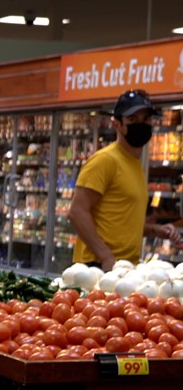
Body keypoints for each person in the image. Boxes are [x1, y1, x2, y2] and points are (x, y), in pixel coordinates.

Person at [69, 89, 180, 270]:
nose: (141, 125)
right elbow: (77, 212)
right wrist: (105, 256)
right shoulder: (105, 160)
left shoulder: (135, 165)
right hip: (97, 267)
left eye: (146, 119)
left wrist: (156, 230)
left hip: (126, 267)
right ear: (116, 124)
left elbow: (122, 221)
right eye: (133, 120)